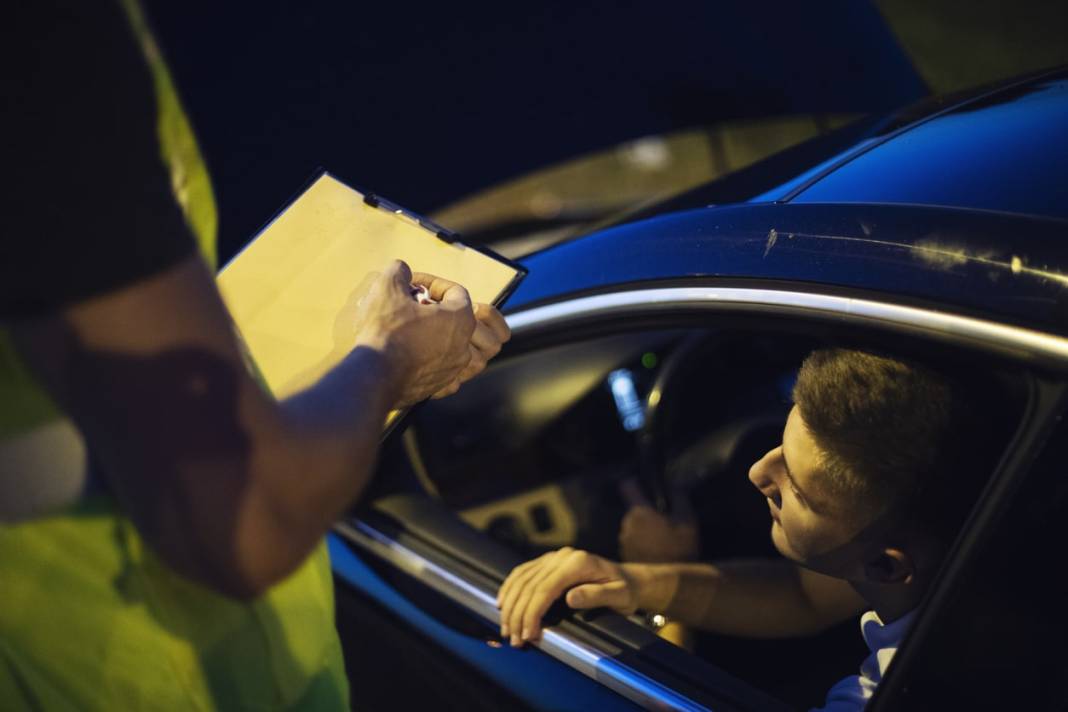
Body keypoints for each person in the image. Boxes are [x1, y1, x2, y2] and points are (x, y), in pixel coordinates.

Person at [1, 2, 508, 709]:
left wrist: (369, 370)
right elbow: (242, 518)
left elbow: (108, 421)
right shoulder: (42, 44)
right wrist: (388, 355)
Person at [497, 348, 1003, 710]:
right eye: (780, 445)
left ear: (885, 566)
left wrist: (662, 617)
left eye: (798, 491)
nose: (757, 473)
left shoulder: (881, 694)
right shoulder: (970, 542)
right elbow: (803, 598)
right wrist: (635, 582)